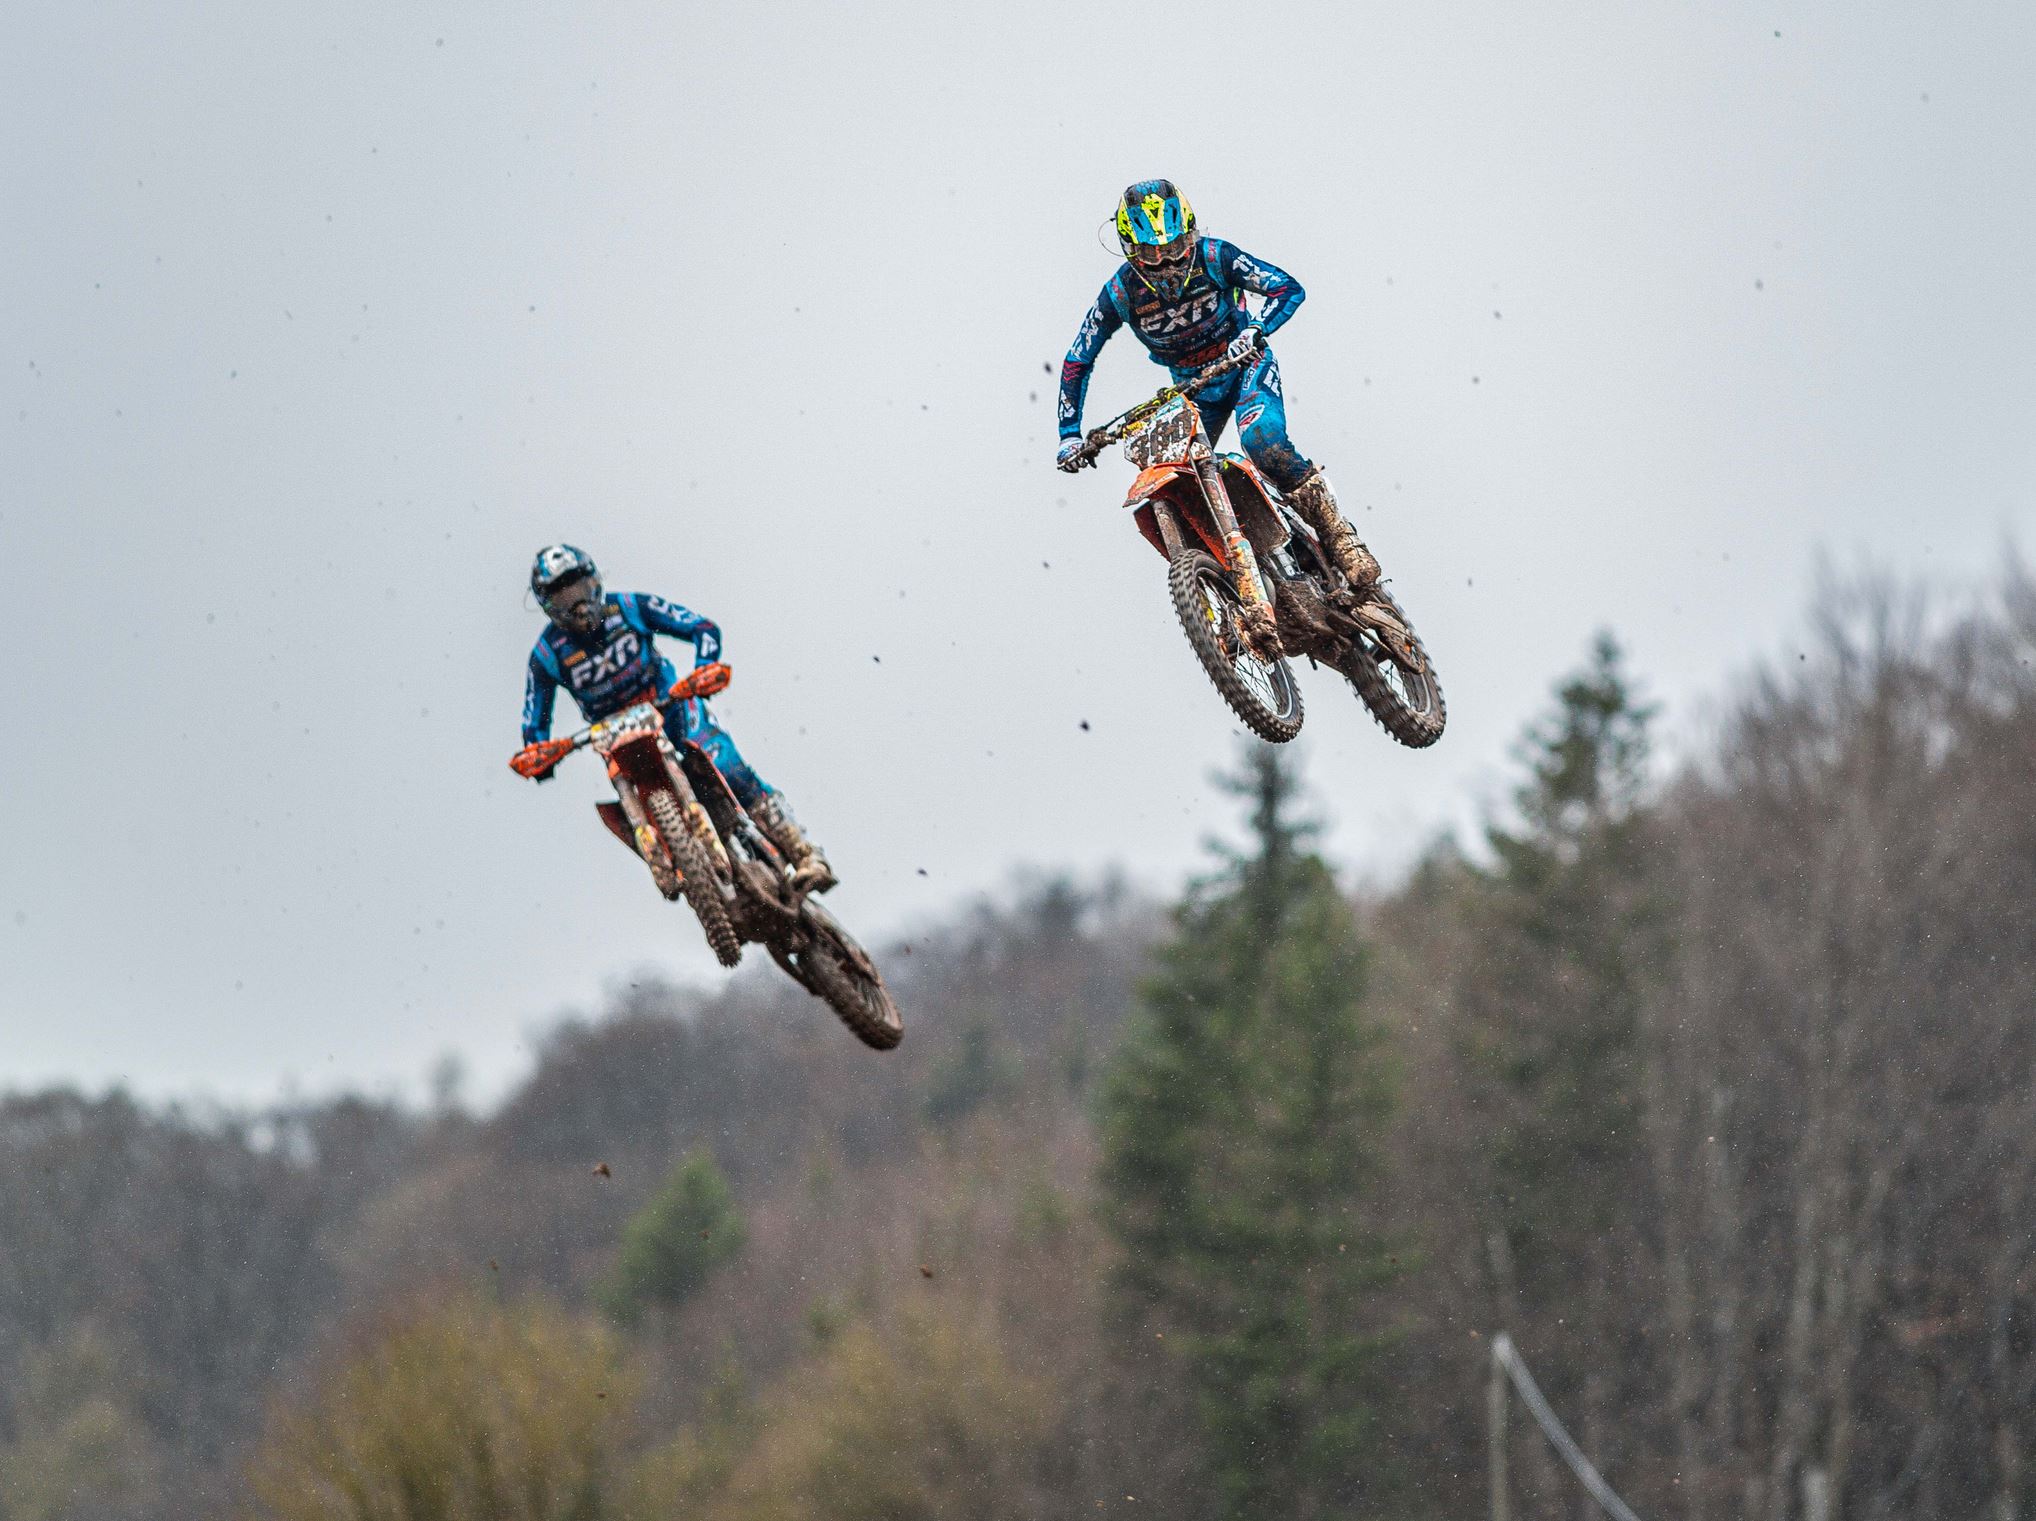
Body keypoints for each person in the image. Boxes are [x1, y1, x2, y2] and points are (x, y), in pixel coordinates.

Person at [1055, 178, 1381, 602]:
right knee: (1176, 476)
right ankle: (1231, 585)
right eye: (1151, 254)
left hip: (1245, 365)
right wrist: (1069, 435)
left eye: (1175, 247)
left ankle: (1339, 537)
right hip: (1193, 389)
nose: (1166, 262)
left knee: (1263, 442)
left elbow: (1287, 288)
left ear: (1190, 234)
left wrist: (1257, 329)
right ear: (1130, 250)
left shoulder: (1215, 256)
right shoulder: (1119, 292)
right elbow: (1077, 359)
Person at [517, 544, 834, 891]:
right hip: (615, 736)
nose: (576, 603)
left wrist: (704, 668)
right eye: (562, 597)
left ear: (593, 582)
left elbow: (702, 627)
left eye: (577, 589)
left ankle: (804, 853)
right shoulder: (546, 655)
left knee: (723, 761)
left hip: (671, 708)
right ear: (548, 606)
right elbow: (534, 719)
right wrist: (537, 751)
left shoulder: (629, 607)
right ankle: (673, 864)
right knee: (623, 796)